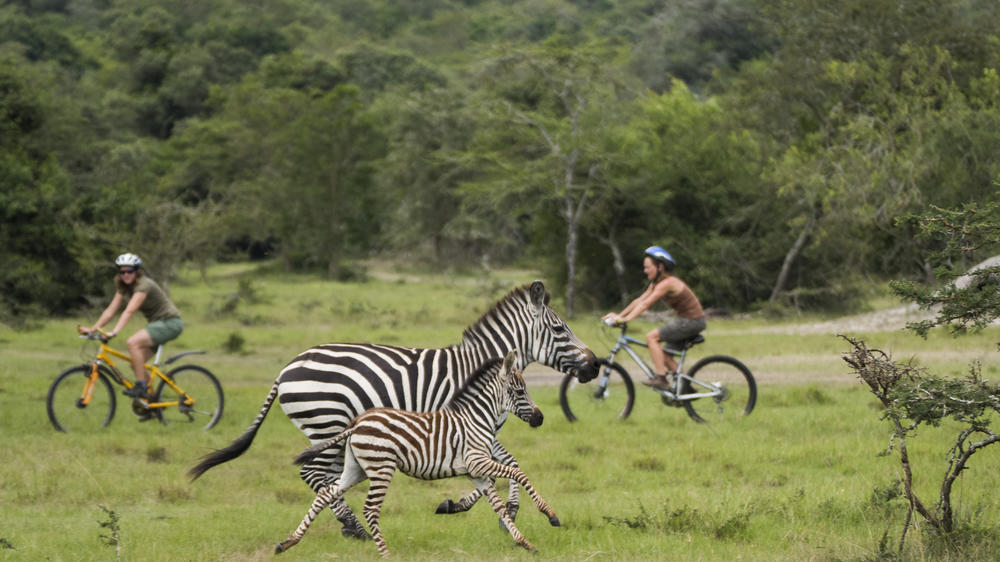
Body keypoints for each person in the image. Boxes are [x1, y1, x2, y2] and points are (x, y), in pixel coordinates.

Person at [79, 253, 184, 398]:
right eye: (122, 272)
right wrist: (92, 329)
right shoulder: (124, 287)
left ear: (137, 271)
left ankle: (141, 386)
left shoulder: (144, 285)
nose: (126, 275)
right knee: (136, 364)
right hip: (157, 325)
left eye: (130, 271)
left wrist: (114, 331)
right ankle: (152, 403)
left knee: (132, 342)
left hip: (170, 323)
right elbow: (110, 311)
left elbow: (129, 311)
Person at [602, 245, 706, 390]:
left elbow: (646, 305)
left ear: (660, 267)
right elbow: (639, 300)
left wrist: (625, 320)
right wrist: (619, 315)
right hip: (687, 321)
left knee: (652, 337)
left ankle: (661, 379)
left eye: (647, 267)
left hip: (692, 322)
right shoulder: (656, 283)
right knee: (664, 355)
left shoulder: (667, 283)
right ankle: (685, 387)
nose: (645, 271)